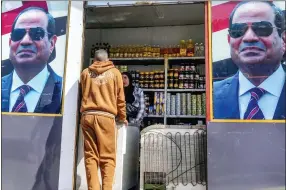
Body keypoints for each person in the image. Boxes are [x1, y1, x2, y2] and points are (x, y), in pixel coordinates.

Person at [213, 1, 286, 120]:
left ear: (283, 40)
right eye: (238, 30)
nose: (249, 37)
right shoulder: (211, 96)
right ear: (229, 40)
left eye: (262, 28)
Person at [80, 49, 127, 190]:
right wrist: (122, 117)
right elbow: (120, 99)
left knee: (91, 156)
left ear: (94, 60)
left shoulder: (85, 73)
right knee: (107, 158)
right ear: (108, 59)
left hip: (87, 116)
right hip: (106, 117)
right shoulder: (115, 73)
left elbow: (82, 95)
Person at [1, 7, 62, 114]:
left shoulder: (66, 91)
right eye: (18, 34)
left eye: (36, 33)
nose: (25, 41)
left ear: (52, 43)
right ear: (10, 43)